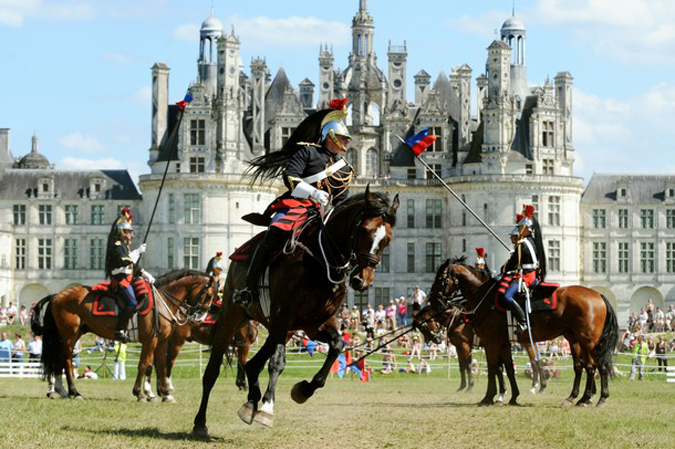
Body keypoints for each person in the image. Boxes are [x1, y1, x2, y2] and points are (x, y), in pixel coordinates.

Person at [233, 98, 353, 308]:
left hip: (325, 213)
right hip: (297, 205)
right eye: (343, 138)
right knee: (275, 231)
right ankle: (248, 288)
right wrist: (314, 193)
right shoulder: (307, 152)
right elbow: (290, 177)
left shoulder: (344, 168)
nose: (346, 143)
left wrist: (334, 210)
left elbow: (342, 198)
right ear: (330, 136)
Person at [104, 207, 155, 342]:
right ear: (122, 232)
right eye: (129, 232)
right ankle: (120, 329)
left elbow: (133, 266)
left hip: (127, 279)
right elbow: (124, 261)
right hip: (120, 281)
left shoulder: (124, 246)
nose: (131, 235)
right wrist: (137, 252)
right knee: (131, 304)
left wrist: (146, 274)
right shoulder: (117, 245)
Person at [496, 205, 547, 334]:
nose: (518, 229)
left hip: (527, 276)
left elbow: (513, 263)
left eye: (519, 227)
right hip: (530, 273)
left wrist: (501, 270)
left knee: (507, 297)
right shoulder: (531, 241)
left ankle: (523, 321)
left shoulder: (523, 243)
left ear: (525, 229)